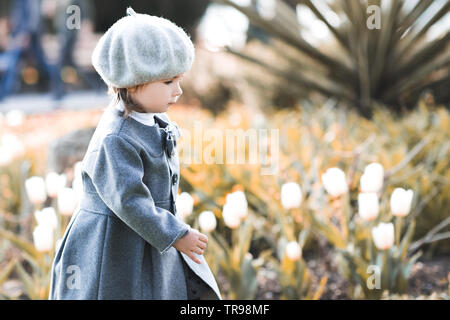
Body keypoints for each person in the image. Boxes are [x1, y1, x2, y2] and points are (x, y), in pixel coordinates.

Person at [49, 7, 222, 300]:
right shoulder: (115, 138)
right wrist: (177, 235)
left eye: (179, 80)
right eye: (168, 82)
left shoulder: (154, 119)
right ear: (132, 81)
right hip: (114, 245)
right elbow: (129, 201)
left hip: (148, 236)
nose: (178, 91)